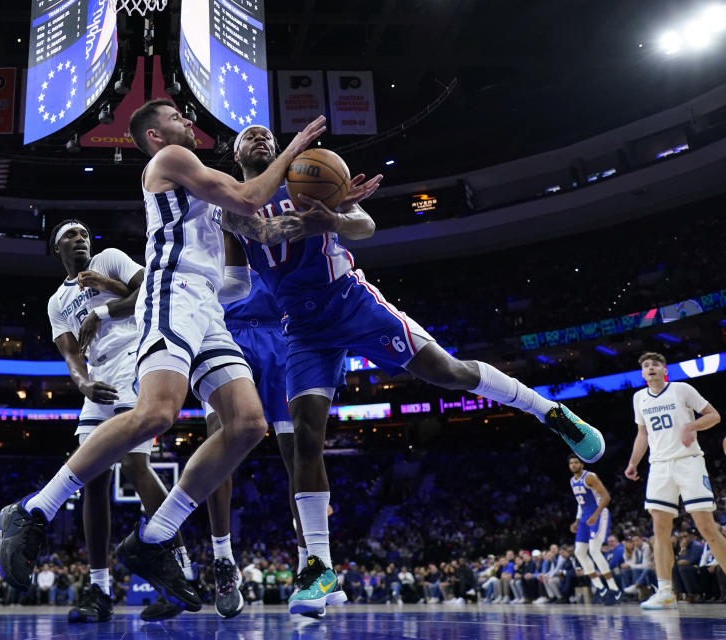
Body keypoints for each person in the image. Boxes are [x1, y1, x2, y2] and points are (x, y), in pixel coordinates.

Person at [221, 123, 606, 616]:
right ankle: (318, 567)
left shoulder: (305, 178)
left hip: (352, 302)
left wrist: (335, 218)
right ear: (234, 152)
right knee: (305, 435)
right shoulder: (229, 204)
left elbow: (365, 226)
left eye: (266, 135)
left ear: (280, 148)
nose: (259, 138)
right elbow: (251, 249)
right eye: (248, 136)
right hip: (302, 328)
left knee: (448, 372)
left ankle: (548, 411)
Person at [0, 101, 326, 614]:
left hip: (207, 307)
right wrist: (293, 151)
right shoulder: (170, 160)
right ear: (154, 135)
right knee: (157, 413)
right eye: (176, 117)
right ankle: (33, 509)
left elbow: (260, 227)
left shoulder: (204, 190)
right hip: (171, 292)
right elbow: (248, 193)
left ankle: (155, 536)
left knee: (246, 424)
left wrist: (330, 213)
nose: (187, 122)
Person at [45, 220, 195, 623]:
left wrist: (107, 298)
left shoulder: (109, 260)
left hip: (134, 360)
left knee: (134, 464)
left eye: (84, 234)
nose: (81, 239)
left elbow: (151, 290)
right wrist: (84, 385)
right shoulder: (57, 302)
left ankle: (181, 572)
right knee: (90, 478)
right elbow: (71, 355)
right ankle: (99, 589)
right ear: (56, 248)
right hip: (99, 381)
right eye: (71, 237)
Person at [201, 270, 302, 618]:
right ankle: (223, 561)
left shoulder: (275, 219)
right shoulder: (209, 223)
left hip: (279, 334)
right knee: (219, 445)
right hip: (223, 336)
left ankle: (311, 564)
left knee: (298, 453)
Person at [625, 351, 726, 609]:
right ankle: (666, 591)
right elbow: (642, 433)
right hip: (659, 466)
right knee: (660, 531)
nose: (651, 368)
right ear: (642, 373)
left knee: (707, 528)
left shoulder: (682, 389)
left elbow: (714, 416)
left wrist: (691, 426)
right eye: (646, 365)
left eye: (655, 364)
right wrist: (633, 462)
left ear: (664, 369)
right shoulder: (639, 398)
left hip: (688, 461)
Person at [567, 454, 621, 604]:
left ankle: (613, 588)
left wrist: (595, 515)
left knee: (594, 550)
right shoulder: (572, 481)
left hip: (598, 514)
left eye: (576, 462)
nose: (573, 465)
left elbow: (606, 497)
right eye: (571, 463)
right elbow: (580, 503)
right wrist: (577, 521)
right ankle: (599, 586)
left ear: (582, 464)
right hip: (584, 517)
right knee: (579, 552)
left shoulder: (590, 477)